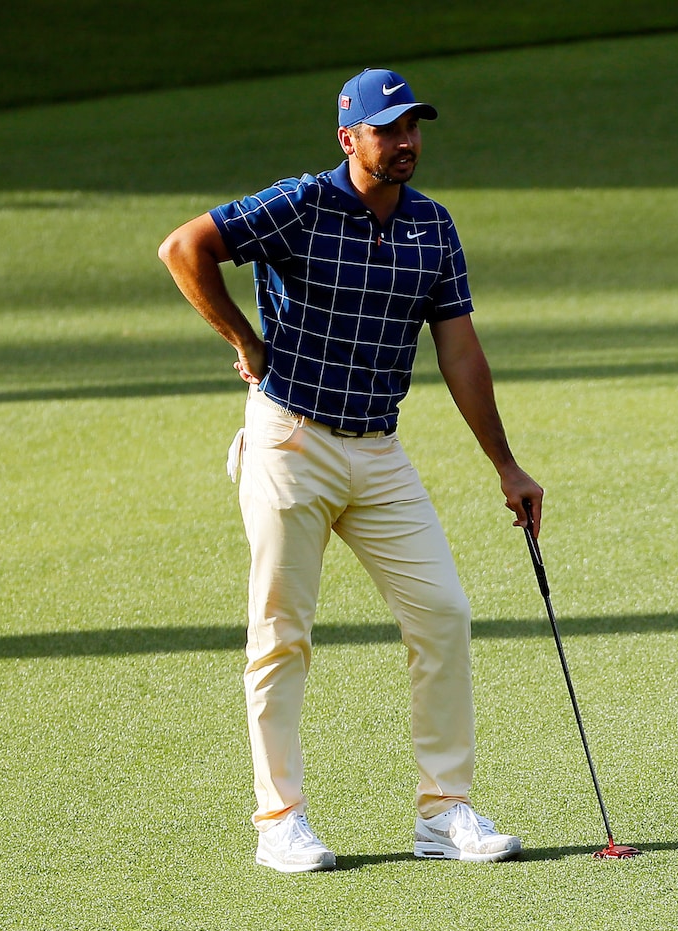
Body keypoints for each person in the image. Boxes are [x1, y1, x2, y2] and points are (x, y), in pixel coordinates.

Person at [158, 68, 544, 873]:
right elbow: (185, 248)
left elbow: (459, 349)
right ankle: (280, 822)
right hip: (290, 440)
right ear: (349, 139)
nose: (406, 143)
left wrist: (505, 464)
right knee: (281, 636)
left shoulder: (433, 228)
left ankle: (445, 813)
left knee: (442, 613)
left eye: (413, 128)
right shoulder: (299, 204)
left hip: (378, 451)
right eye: (388, 130)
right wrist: (243, 342)